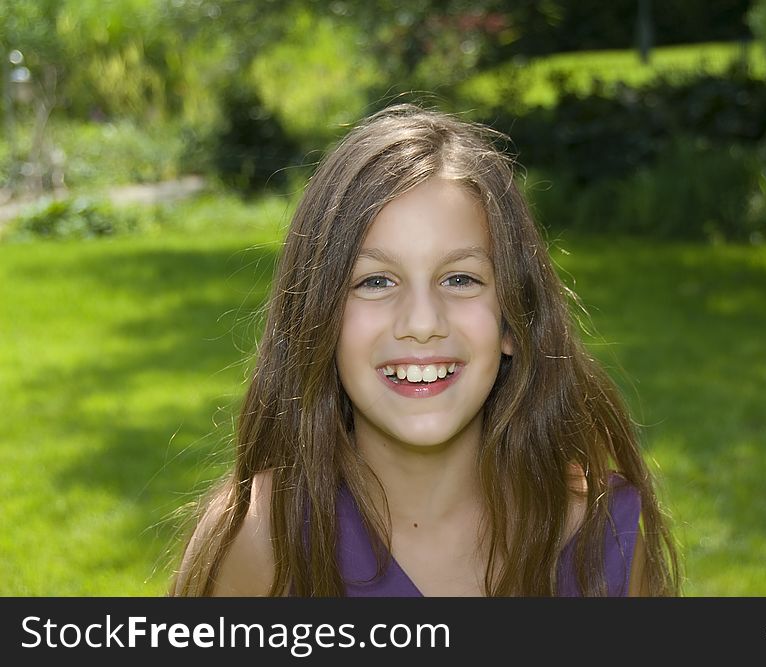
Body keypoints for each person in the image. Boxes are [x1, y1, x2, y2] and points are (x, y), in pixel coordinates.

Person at [171, 103, 681, 597]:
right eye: (375, 281)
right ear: (320, 318)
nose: (421, 323)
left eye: (460, 278)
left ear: (513, 319)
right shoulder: (262, 539)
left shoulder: (601, 536)